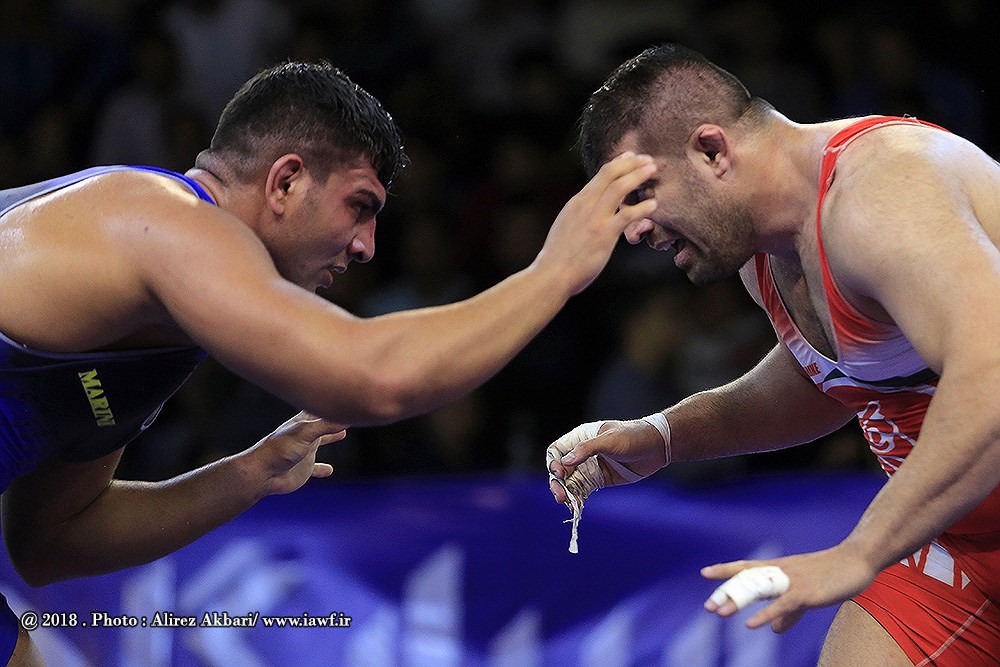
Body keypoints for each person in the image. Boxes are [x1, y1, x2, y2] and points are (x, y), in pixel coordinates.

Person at [0, 61, 658, 665]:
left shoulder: (159, 314)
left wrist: (247, 474)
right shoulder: (165, 223)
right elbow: (372, 377)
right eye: (360, 206)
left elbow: (52, 541)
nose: (367, 246)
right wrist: (554, 272)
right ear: (285, 181)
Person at [546, 43, 1000, 665]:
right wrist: (664, 436)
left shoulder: (880, 189)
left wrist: (858, 553)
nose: (634, 230)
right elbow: (833, 379)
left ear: (712, 151)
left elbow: (993, 375)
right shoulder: (763, 251)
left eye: (643, 192)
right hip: (959, 538)